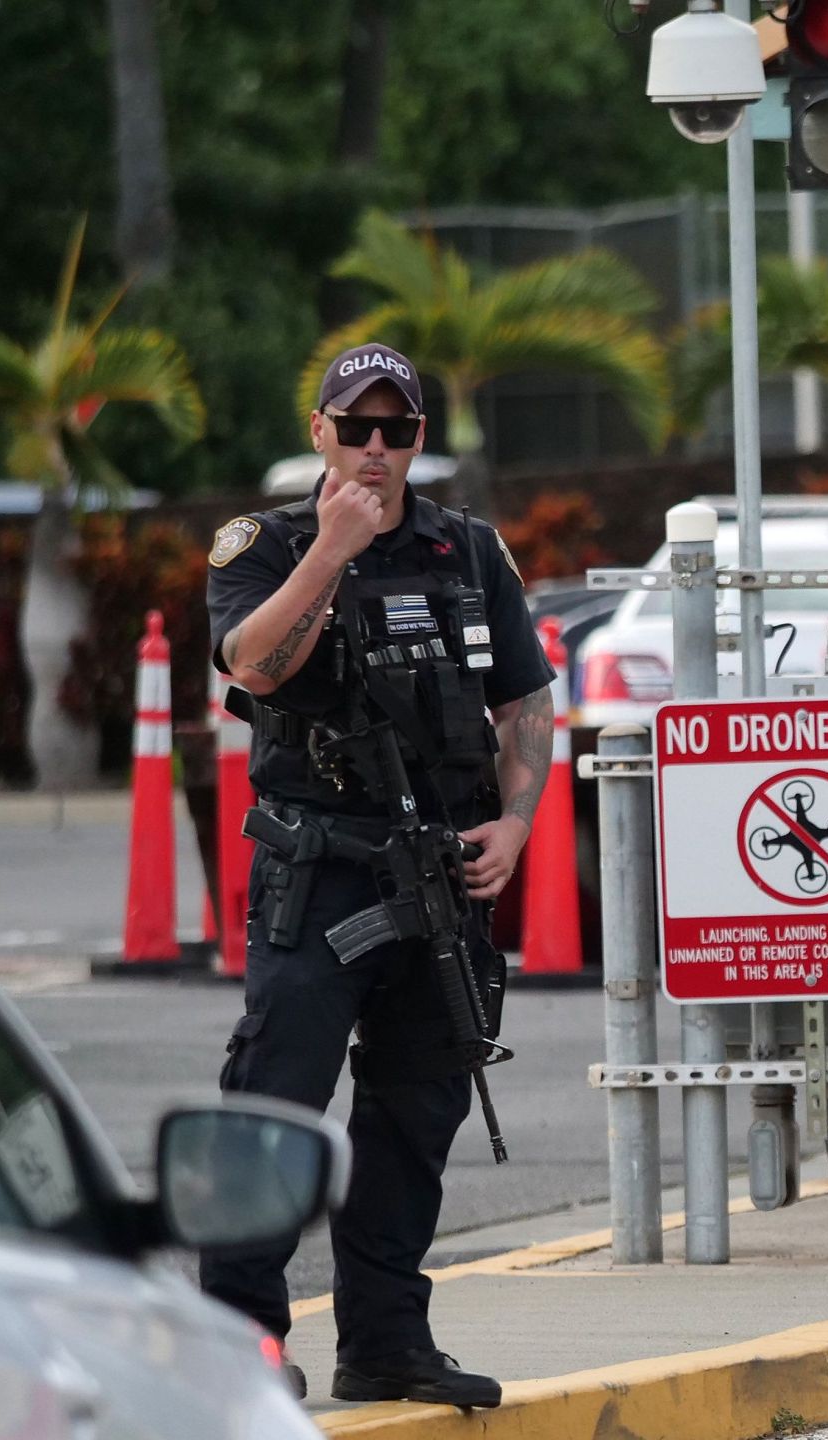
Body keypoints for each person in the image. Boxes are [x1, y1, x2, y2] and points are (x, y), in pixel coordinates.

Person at [199, 343, 552, 1409]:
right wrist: (332, 554)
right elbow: (253, 665)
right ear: (320, 431)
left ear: (418, 442)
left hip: (441, 878)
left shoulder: (466, 548)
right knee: (277, 1104)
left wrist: (519, 820)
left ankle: (387, 1340)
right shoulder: (267, 545)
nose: (376, 448)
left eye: (397, 430)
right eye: (356, 427)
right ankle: (243, 1348)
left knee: (412, 1116)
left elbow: (524, 701)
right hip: (320, 873)